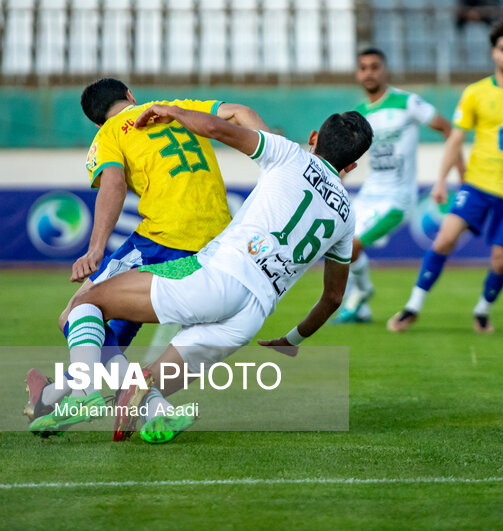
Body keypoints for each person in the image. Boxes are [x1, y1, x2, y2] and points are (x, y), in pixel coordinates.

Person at [28, 106, 373, 442]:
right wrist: (292, 339)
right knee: (142, 385)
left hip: (218, 277)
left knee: (87, 303)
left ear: (313, 137)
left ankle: (83, 391)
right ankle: (154, 411)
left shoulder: (290, 154)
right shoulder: (346, 217)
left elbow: (218, 129)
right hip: (251, 316)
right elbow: (333, 298)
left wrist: (173, 111)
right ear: (352, 164)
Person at [24, 78, 268, 422]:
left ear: (96, 121)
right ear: (130, 96)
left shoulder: (109, 133)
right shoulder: (177, 107)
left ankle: (93, 396)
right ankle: (53, 398)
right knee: (107, 340)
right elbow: (241, 112)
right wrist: (282, 156)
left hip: (165, 239)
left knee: (76, 312)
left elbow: (113, 182)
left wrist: (95, 250)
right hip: (220, 245)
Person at [386, 20, 503, 334]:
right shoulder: (476, 93)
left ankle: (483, 311)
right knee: (444, 239)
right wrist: (442, 180)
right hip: (478, 184)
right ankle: (412, 307)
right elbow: (455, 139)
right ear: (493, 53)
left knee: (500, 261)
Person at [332, 47, 461, 324]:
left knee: (352, 246)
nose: (369, 72)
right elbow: (346, 156)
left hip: (398, 199)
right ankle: (361, 309)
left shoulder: (407, 102)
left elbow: (448, 129)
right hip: (368, 194)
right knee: (339, 246)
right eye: (363, 67)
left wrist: (454, 175)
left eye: (374, 67)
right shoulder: (360, 114)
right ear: (358, 73)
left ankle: (363, 293)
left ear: (385, 70)